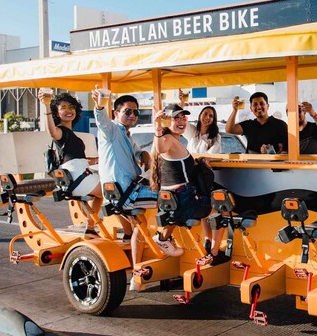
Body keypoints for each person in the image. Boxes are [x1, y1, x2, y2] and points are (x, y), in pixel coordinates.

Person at [92, 88, 168, 266]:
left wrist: (144, 155)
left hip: (130, 191)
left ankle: (138, 266)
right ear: (116, 113)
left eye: (136, 112)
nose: (132, 115)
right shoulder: (111, 131)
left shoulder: (126, 135)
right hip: (126, 194)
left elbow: (137, 151)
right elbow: (101, 120)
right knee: (172, 197)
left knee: (142, 225)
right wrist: (99, 104)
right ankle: (164, 239)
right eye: (127, 111)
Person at [151, 103, 227, 266]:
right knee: (220, 208)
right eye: (175, 118)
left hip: (174, 200)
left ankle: (168, 238)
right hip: (184, 199)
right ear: (166, 121)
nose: (181, 121)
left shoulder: (173, 139)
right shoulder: (167, 139)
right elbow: (161, 148)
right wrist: (156, 126)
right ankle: (214, 253)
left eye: (183, 117)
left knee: (207, 204)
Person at [39, 90, 101, 217]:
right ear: (56, 112)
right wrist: (46, 105)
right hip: (79, 179)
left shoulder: (70, 133)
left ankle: (90, 226)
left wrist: (96, 160)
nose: (69, 110)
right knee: (115, 191)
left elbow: (75, 158)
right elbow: (51, 132)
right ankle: (130, 230)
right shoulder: (60, 132)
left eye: (71, 107)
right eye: (63, 108)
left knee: (103, 193)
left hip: (80, 176)